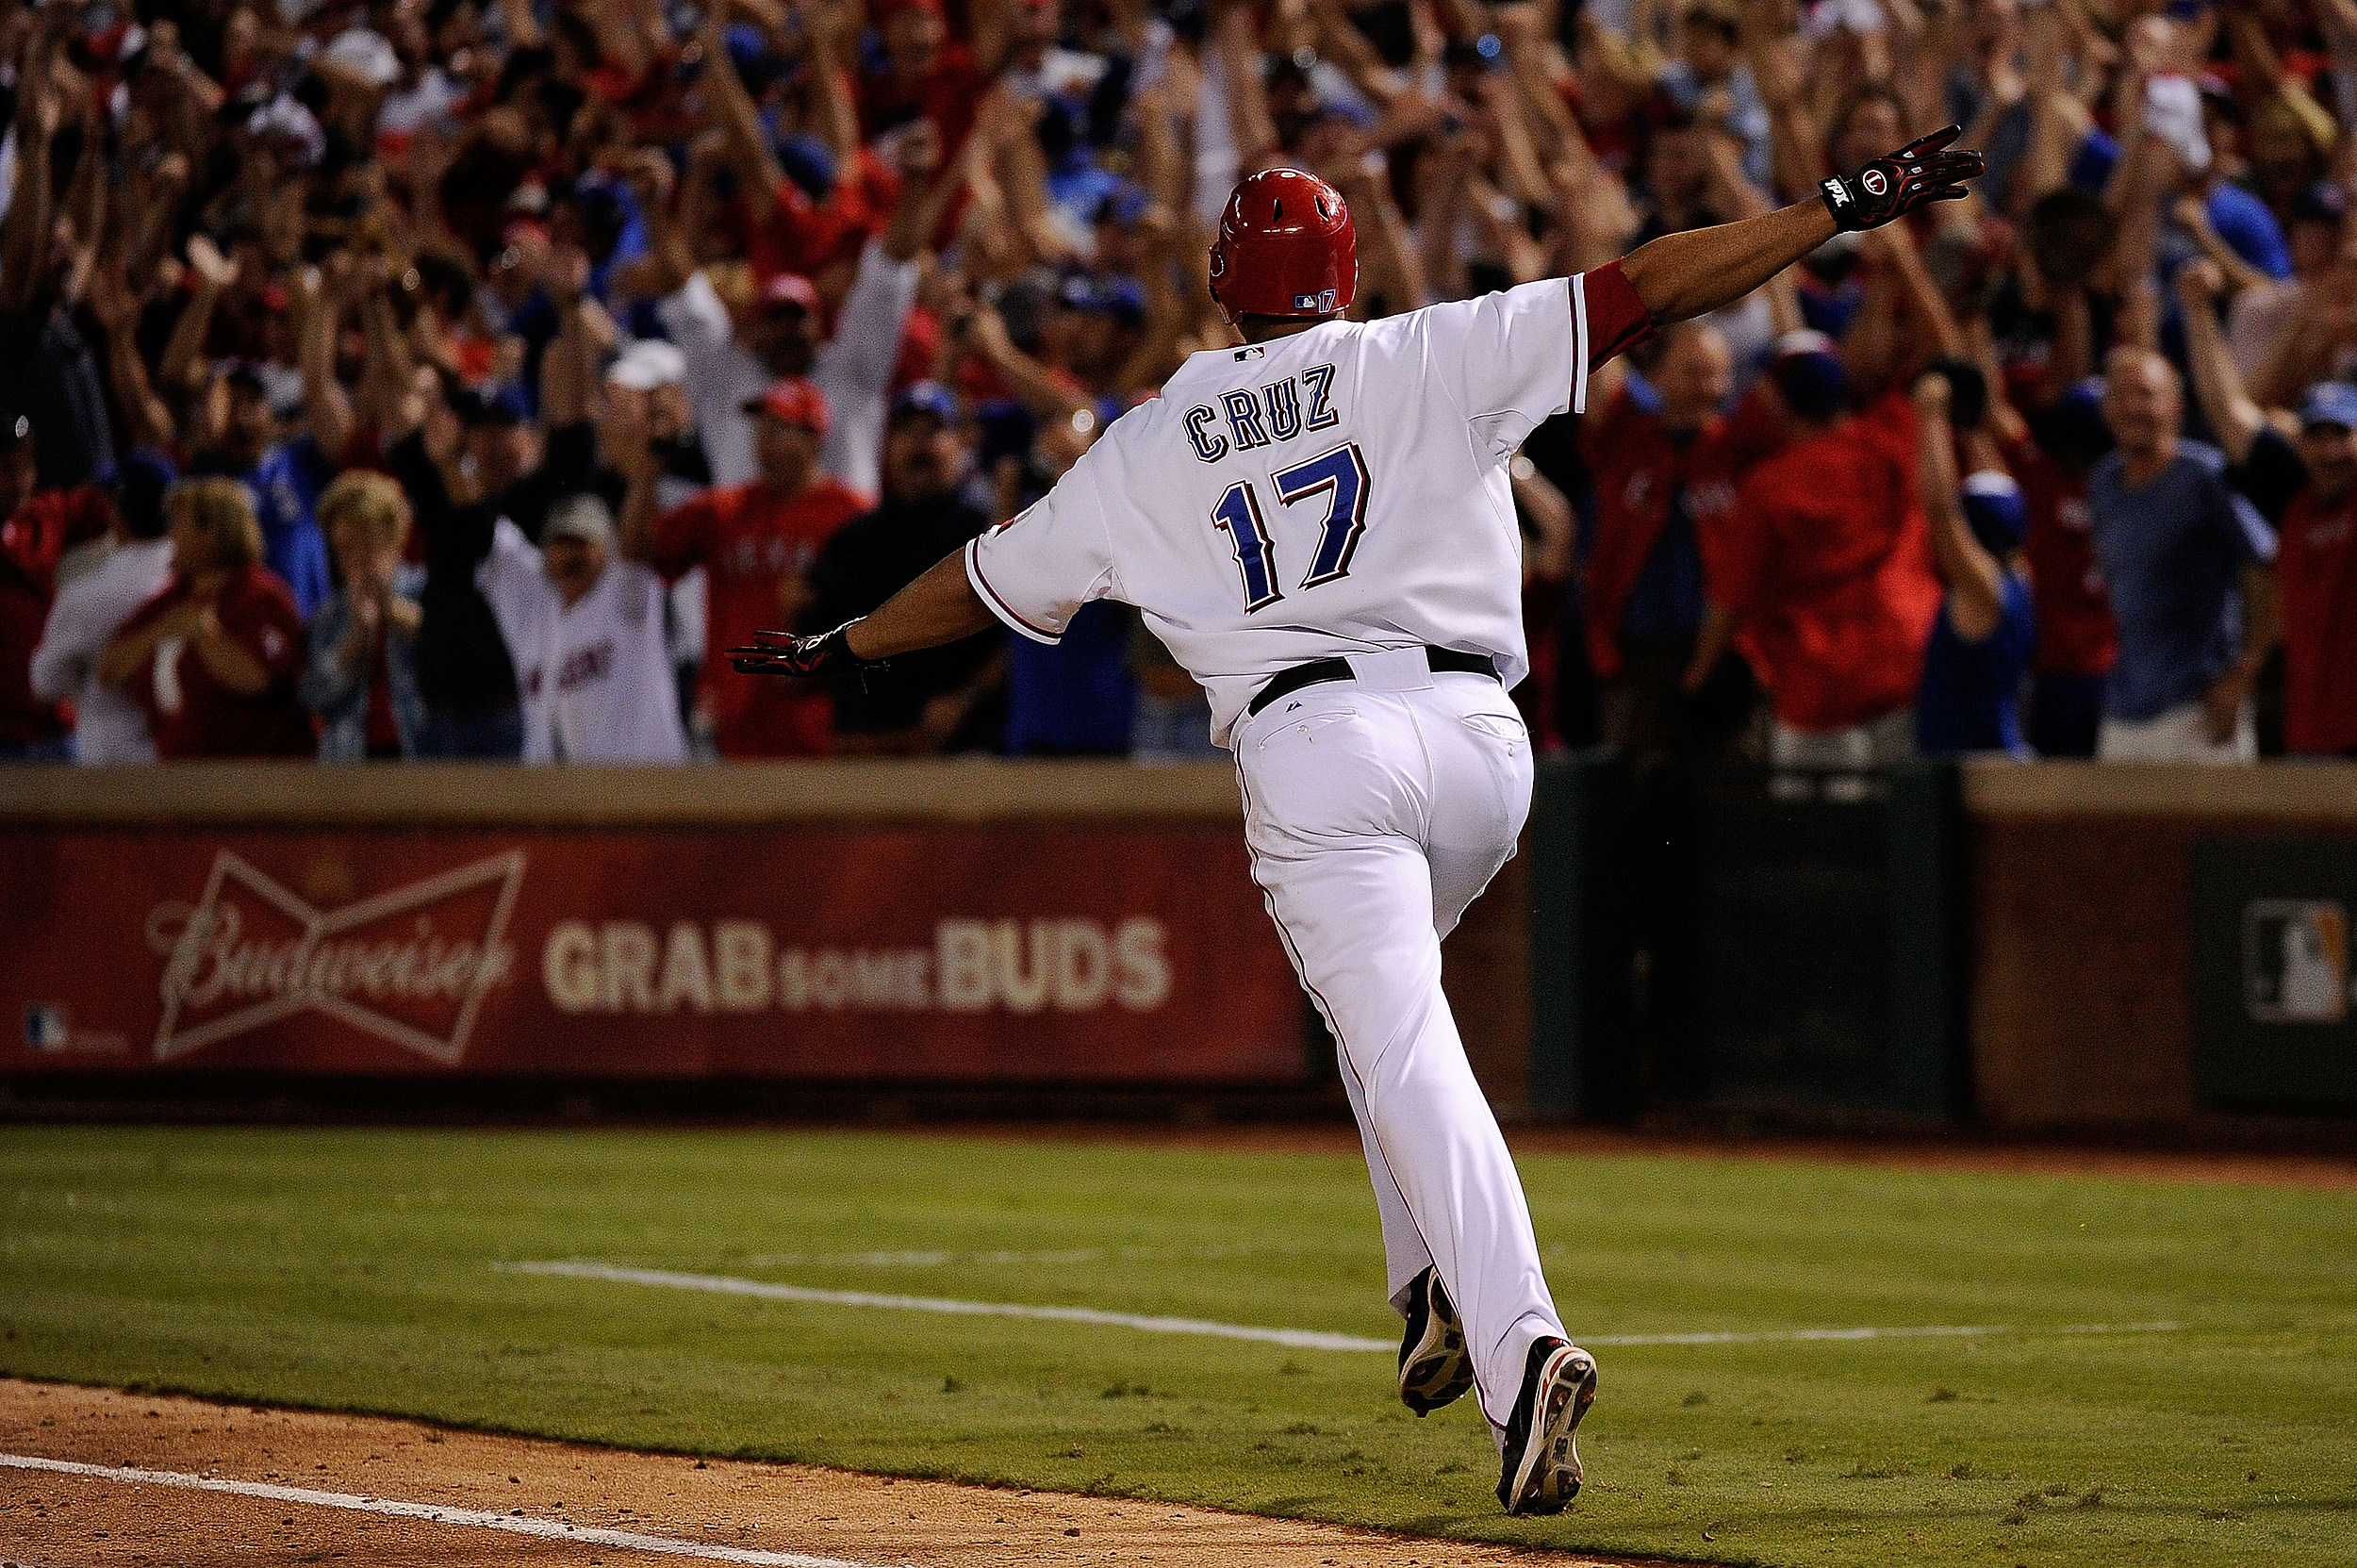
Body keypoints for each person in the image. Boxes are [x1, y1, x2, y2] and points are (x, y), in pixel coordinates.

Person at [733, 140, 1984, 1513]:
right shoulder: (1428, 352)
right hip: (1483, 749)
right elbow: (1651, 287)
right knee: (1379, 1018)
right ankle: (1428, 1288)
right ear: (1344, 276)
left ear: (1223, 287)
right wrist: (1837, 209)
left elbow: (979, 579)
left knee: (1400, 1044)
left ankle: (1522, 1346)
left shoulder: (1151, 434)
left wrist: (849, 642)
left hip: (1317, 745)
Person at [1686, 335, 1945, 776]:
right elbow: (1932, 352)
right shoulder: (1894, 436)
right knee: (1906, 836)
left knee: (1821, 840)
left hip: (1817, 691)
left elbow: (1730, 600)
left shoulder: (1768, 486)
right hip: (1905, 667)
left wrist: (1694, 679)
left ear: (1782, 403)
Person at [621, 377, 868, 758]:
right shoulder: (725, 510)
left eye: (778, 429)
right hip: (735, 721)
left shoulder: (850, 512)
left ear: (813, 438)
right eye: (760, 429)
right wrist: (651, 468)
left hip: (819, 719)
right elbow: (636, 549)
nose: (764, 441)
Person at [2178, 260, 2357, 758]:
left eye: (2342, 435)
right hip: (2308, 736)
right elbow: (2227, 410)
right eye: (2316, 435)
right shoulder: (2292, 498)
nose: (2329, 450)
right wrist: (2198, 312)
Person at [1581, 321, 1779, 769]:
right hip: (1638, 651)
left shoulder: (1744, 445)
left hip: (1733, 654)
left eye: (1715, 373)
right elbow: (1595, 354)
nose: (1706, 386)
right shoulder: (1625, 436)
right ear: (1657, 376)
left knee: (1735, 793)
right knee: (1635, 790)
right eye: (1692, 371)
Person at [2085, 344, 2279, 763]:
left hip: (2200, 710)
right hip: (2123, 709)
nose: (2133, 407)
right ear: (2106, 408)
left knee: (2218, 831)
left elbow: (2272, 568)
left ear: (2175, 407)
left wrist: (2244, 674)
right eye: (2121, 394)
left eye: (2146, 394)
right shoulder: (2102, 482)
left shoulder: (2206, 475)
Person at [802, 383, 1004, 752]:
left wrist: (966, 698)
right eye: (906, 431)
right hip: (864, 745)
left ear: (962, 444)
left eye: (933, 431)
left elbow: (1018, 638)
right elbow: (817, 645)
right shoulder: (853, 539)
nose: (918, 445)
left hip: (960, 751)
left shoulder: (986, 534)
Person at [98, 478, 310, 759]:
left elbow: (258, 680)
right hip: (178, 773)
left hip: (254, 779)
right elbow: (109, 671)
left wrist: (204, 634)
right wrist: (158, 631)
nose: (170, 535)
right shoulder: (173, 599)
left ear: (212, 532)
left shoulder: (262, 597)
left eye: (179, 524)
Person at [477, 492, 686, 765]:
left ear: (608, 549)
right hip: (563, 797)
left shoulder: (628, 598)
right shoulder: (537, 617)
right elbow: (483, 526)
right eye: (560, 543)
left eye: (582, 542)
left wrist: (645, 473)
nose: (570, 554)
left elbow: (636, 548)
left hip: (643, 786)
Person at [1910, 372, 2036, 757]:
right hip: (1997, 754)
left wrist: (1931, 418)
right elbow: (1997, 491)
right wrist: (1969, 427)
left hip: (1975, 768)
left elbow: (1941, 510)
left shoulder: (1981, 588)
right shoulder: (2020, 575)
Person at [28, 451, 178, 764]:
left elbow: (44, 686)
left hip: (112, 769)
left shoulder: (88, 594)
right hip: (193, 762)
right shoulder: (201, 577)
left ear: (116, 513)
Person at [1, 412, 117, 761]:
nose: (20, 480)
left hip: (52, 730)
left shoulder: (43, 515)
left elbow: (112, 498)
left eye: (26, 466)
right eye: (7, 467)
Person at [302, 472, 426, 762]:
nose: (357, 557)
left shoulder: (424, 590)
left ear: (394, 540)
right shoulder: (328, 616)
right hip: (349, 760)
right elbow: (312, 696)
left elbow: (449, 655)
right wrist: (357, 638)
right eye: (345, 548)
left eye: (367, 544)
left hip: (421, 753)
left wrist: (392, 610)